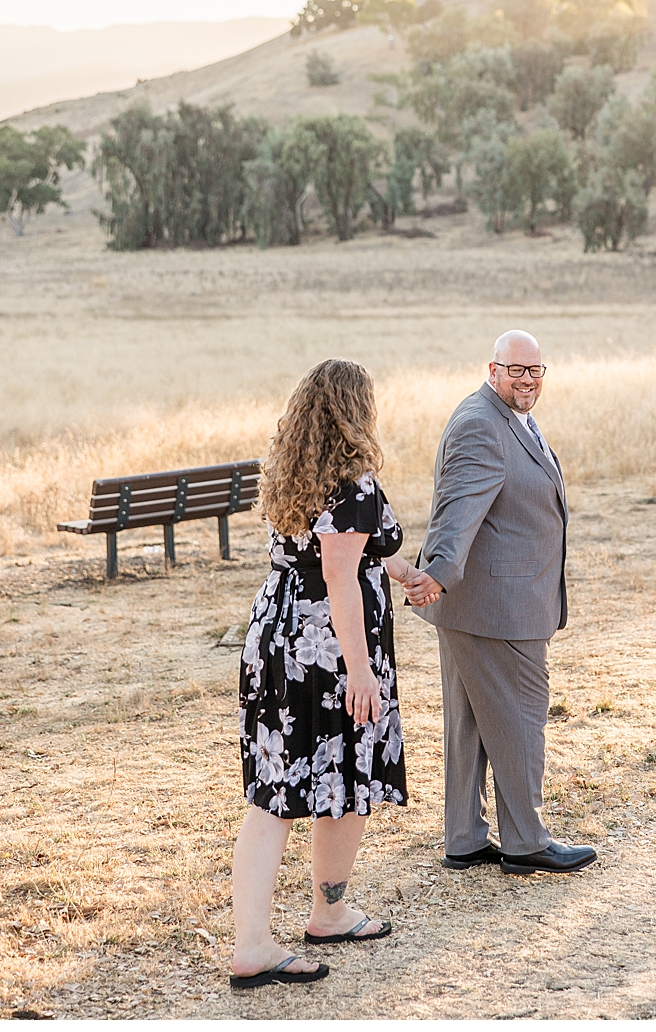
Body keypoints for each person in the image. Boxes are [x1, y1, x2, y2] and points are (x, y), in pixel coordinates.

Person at [231, 359, 412, 990]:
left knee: (286, 787)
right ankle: (255, 945)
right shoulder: (355, 482)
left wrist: (398, 572)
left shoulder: (297, 473)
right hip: (327, 651)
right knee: (294, 789)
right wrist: (361, 672)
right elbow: (339, 576)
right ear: (355, 410)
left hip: (277, 634)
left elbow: (343, 552)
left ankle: (328, 911)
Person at [401, 330, 596, 874]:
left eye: (535, 370)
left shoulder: (507, 418)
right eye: (517, 370)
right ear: (493, 369)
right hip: (496, 607)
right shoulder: (480, 425)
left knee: (468, 723)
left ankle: (464, 837)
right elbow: (457, 509)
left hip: (479, 605)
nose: (528, 379)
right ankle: (526, 840)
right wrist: (436, 573)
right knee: (520, 719)